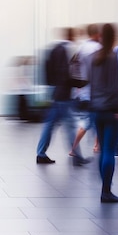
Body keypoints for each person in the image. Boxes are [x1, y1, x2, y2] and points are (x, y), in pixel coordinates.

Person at [36, 28, 91, 166]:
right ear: (71, 35)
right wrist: (81, 83)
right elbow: (65, 74)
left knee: (49, 125)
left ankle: (41, 153)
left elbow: (48, 70)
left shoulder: (55, 48)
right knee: (70, 126)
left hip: (57, 93)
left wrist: (52, 86)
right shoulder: (65, 49)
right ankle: (77, 157)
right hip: (64, 95)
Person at [89, 23, 118, 203]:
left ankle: (104, 188)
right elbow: (115, 87)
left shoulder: (93, 57)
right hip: (110, 109)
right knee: (108, 151)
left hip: (96, 109)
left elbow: (92, 85)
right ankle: (106, 191)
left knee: (103, 150)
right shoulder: (113, 58)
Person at [70, 24, 101, 156]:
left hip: (84, 90)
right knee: (89, 122)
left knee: (95, 120)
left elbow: (73, 65)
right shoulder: (97, 48)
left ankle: (96, 146)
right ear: (96, 34)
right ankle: (74, 148)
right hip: (95, 90)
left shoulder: (81, 47)